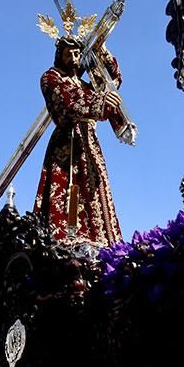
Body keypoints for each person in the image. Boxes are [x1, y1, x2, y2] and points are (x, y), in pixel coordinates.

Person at [33, 36, 124, 246]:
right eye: (69, 54)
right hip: (67, 145)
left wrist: (102, 51)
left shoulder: (84, 85)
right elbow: (70, 102)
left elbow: (112, 82)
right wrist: (101, 101)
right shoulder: (51, 78)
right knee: (68, 192)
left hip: (89, 144)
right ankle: (68, 242)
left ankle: (105, 244)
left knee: (96, 191)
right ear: (60, 55)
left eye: (77, 53)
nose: (74, 58)